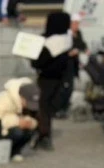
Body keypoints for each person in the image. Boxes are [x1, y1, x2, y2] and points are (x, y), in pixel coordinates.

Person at [31, 11, 74, 151]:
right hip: (61, 80)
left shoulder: (49, 43)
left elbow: (37, 62)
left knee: (43, 108)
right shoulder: (67, 40)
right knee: (48, 109)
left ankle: (43, 136)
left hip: (47, 80)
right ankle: (43, 135)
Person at [0, 78, 40, 162]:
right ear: (21, 97)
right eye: (28, 102)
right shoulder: (5, 99)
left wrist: (31, 123)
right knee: (17, 132)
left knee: (29, 131)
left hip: (6, 127)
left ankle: (14, 151)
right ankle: (6, 151)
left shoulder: (19, 103)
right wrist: (17, 122)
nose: (28, 106)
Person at [57, 13, 89, 117]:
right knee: (64, 87)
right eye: (74, 23)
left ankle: (64, 108)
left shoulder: (78, 33)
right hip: (65, 64)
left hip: (74, 64)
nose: (76, 25)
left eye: (77, 23)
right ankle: (60, 108)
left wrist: (84, 49)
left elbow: (82, 45)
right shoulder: (66, 34)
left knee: (70, 87)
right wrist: (70, 53)